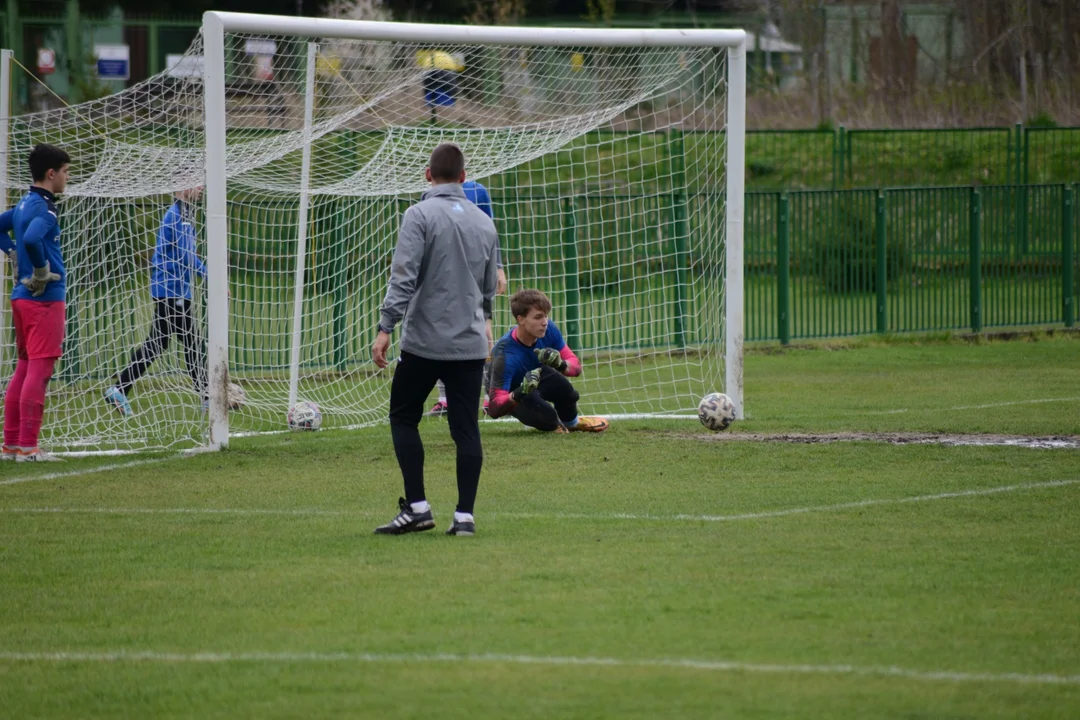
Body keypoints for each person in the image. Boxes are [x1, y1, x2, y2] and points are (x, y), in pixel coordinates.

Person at [371, 143, 499, 537]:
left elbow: (403, 277)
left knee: (403, 416)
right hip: (469, 343)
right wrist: (487, 320)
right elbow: (489, 284)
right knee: (466, 429)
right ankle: (464, 517)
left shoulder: (419, 214)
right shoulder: (484, 222)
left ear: (428, 175)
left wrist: (385, 326)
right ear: (464, 177)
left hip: (424, 343)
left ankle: (418, 507)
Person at [105, 186, 207, 415]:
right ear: (183, 186)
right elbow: (185, 254)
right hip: (171, 291)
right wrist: (210, 275)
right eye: (197, 182)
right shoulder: (178, 214)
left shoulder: (185, 212)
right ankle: (207, 396)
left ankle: (119, 388)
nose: (202, 187)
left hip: (173, 290)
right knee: (190, 344)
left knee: (164, 343)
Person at [0, 144, 71, 462]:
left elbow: (5, 230)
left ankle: (12, 445)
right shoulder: (45, 208)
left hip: (20, 298)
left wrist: (11, 253)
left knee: (25, 368)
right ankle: (29, 447)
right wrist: (42, 271)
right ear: (51, 173)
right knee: (39, 371)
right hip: (43, 300)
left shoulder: (24, 203)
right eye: (66, 171)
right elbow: (31, 239)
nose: (68, 177)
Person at [427, 179, 506, 417]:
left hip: (477, 275)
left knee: (484, 332)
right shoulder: (429, 195)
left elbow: (490, 230)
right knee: (441, 332)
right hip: (443, 277)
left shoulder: (477, 191)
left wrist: (498, 266)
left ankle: (487, 396)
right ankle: (445, 399)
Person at [486, 288, 609, 434]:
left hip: (536, 373)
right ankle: (553, 423)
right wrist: (520, 391)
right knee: (548, 418)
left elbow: (576, 368)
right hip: (512, 390)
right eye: (538, 317)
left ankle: (572, 423)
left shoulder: (549, 329)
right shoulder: (505, 354)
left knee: (569, 394)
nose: (544, 322)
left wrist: (560, 364)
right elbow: (494, 409)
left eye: (545, 316)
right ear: (521, 319)